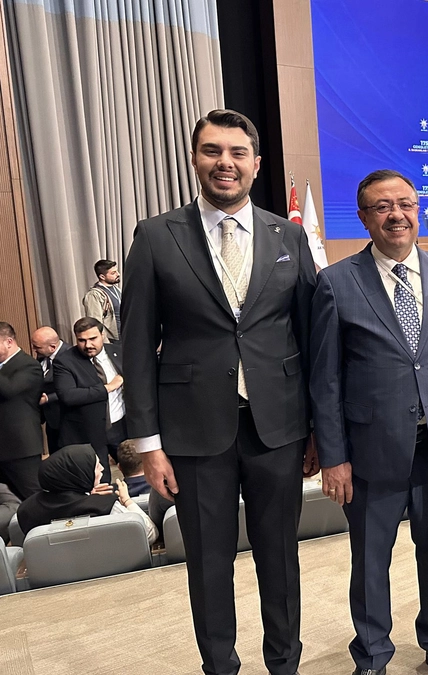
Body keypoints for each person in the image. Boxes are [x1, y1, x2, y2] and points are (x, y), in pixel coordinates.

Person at [122, 109, 318, 675]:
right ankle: (220, 667)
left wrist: (317, 430)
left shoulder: (289, 235)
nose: (224, 163)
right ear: (195, 159)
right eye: (212, 151)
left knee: (280, 559)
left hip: (278, 428)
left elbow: (310, 338)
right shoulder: (156, 236)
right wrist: (148, 444)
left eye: (237, 153)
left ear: (256, 164)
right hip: (192, 432)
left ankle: (285, 664)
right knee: (208, 565)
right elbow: (136, 347)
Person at [311, 169, 428, 675]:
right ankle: (372, 655)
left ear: (418, 209)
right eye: (382, 207)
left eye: (405, 204)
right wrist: (334, 456)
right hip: (370, 451)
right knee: (370, 560)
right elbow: (325, 381)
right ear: (363, 218)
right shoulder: (336, 282)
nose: (397, 215)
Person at [16, 444, 157, 543]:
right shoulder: (106, 506)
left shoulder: (25, 510)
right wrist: (127, 500)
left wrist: (85, 496)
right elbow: (149, 534)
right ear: (79, 474)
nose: (102, 469)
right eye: (96, 466)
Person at [54, 317, 125, 482]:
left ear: (102, 335)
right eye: (82, 340)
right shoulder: (65, 362)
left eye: (93, 339)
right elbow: (68, 396)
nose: (88, 345)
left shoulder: (119, 352)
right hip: (88, 434)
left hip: (121, 427)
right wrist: (107, 388)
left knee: (138, 474)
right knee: (101, 482)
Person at [0, 322, 44, 500]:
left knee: (34, 498)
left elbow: (9, 390)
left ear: (9, 342)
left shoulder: (28, 365)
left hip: (20, 447)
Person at [31, 326, 72, 453]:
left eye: (37, 347)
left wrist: (48, 398)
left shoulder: (71, 356)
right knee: (55, 456)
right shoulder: (43, 355)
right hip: (50, 418)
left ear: (52, 347)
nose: (34, 349)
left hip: (66, 418)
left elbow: (74, 388)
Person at [82, 259, 122, 343]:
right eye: (113, 273)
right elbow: (95, 322)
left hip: (124, 337)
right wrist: (105, 342)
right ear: (102, 277)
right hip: (111, 340)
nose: (118, 274)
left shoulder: (116, 289)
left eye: (117, 271)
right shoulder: (94, 295)